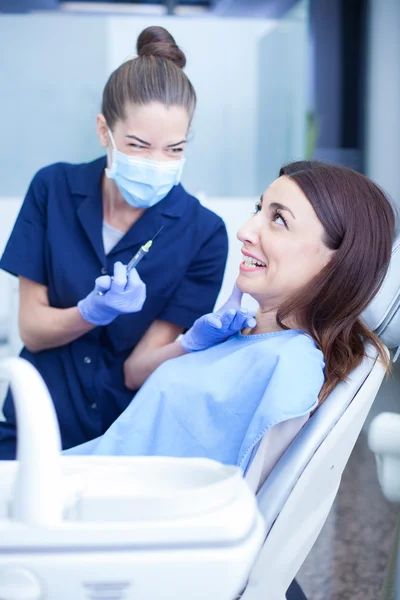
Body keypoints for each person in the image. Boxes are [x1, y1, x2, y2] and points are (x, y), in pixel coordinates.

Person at [65, 161, 395, 495]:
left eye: (279, 219)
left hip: (107, 513)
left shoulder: (292, 365)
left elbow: (243, 511)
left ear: (335, 263)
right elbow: (133, 376)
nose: (245, 230)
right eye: (259, 209)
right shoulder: (241, 332)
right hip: (84, 480)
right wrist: (190, 345)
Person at [0, 26, 232, 459]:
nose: (157, 164)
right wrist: (91, 312)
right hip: (34, 429)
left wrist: (193, 343)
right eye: (139, 146)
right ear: (104, 131)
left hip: (125, 442)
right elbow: (31, 329)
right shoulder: (52, 189)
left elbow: (133, 372)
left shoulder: (203, 234)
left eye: (174, 149)